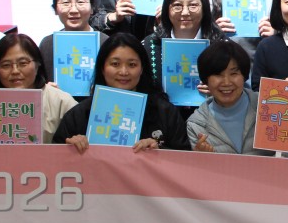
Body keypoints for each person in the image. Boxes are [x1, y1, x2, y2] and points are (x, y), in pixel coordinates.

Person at [52, 33, 189, 153]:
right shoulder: (79, 114)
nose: (123, 72)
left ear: (142, 68)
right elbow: (55, 161)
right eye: (115, 64)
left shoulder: (165, 112)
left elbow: (185, 161)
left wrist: (160, 151)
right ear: (102, 68)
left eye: (132, 65)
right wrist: (70, 149)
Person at [142, 0, 226, 102]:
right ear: (166, 9)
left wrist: (219, 89)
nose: (185, 12)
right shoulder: (150, 45)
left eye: (193, 5)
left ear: (204, 8)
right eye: (177, 5)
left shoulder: (222, 46)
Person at [0, 33, 77, 144]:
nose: (15, 71)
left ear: (38, 64)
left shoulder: (62, 102)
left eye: (23, 63)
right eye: (6, 65)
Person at [188, 41, 273, 156]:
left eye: (233, 74)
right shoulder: (196, 124)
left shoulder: (270, 107)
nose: (227, 82)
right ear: (205, 79)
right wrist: (200, 159)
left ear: (244, 76)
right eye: (218, 75)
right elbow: (199, 167)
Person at [39, 0, 106, 83]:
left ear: (92, 8)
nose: (74, 10)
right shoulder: (48, 44)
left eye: (80, 2)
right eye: (66, 3)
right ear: (55, 9)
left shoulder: (105, 43)